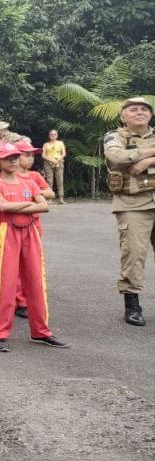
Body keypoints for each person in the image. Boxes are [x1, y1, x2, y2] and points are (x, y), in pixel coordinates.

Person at [0, 142, 68, 351]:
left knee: (36, 281)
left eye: (16, 157)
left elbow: (44, 206)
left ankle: (41, 331)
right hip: (7, 233)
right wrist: (30, 206)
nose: (13, 161)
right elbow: (2, 207)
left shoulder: (29, 182)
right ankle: (0, 333)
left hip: (30, 232)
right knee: (5, 282)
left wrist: (19, 207)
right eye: (8, 158)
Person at [102, 97, 155, 326]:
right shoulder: (115, 137)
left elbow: (132, 161)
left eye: (144, 109)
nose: (140, 112)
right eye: (133, 109)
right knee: (133, 255)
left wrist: (146, 162)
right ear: (123, 116)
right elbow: (117, 157)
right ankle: (132, 306)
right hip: (133, 203)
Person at [42, 130, 67, 204]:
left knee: (60, 180)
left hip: (59, 163)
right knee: (49, 181)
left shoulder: (60, 143)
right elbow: (43, 155)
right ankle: (49, 199)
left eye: (54, 134)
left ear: (57, 135)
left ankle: (61, 198)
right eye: (51, 134)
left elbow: (64, 154)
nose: (53, 135)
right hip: (48, 163)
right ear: (49, 135)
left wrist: (57, 161)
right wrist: (51, 160)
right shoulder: (46, 144)